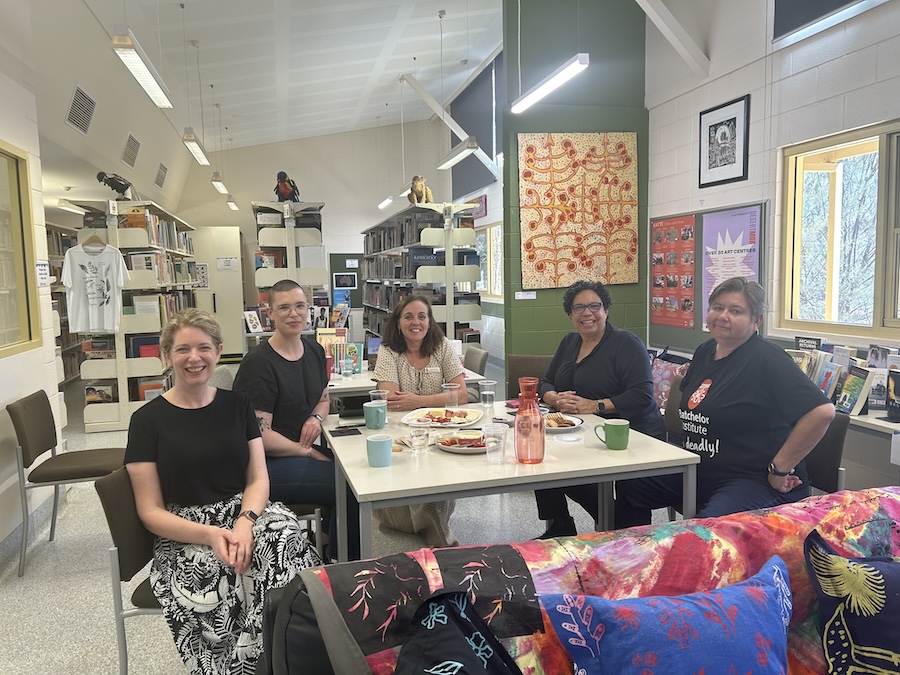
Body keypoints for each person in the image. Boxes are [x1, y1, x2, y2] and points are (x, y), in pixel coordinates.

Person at [125, 308, 319, 675]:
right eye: (182, 349)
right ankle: (248, 664)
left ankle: (287, 656)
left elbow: (258, 479)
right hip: (186, 529)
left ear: (218, 351)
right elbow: (150, 510)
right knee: (225, 572)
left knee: (284, 538)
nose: (194, 358)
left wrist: (245, 523)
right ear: (166, 356)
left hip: (241, 511)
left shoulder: (238, 405)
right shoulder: (146, 421)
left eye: (203, 348)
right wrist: (212, 534)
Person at [615, 277, 836, 527]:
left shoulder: (767, 358)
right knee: (631, 486)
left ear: (757, 321)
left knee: (706, 532)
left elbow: (822, 412)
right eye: (717, 307)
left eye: (736, 311)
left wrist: (779, 469)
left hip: (752, 479)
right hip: (698, 469)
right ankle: (634, 559)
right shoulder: (705, 351)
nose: (723, 316)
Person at [533, 280, 666, 538]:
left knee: (574, 474)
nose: (587, 313)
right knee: (542, 457)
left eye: (595, 306)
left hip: (630, 435)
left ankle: (617, 529)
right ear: (570, 314)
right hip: (586, 434)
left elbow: (642, 394)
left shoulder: (626, 344)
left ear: (606, 310)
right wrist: (554, 398)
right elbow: (545, 381)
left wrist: (595, 405)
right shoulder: (569, 343)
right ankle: (561, 523)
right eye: (579, 308)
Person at [233, 279, 340, 557]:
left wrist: (316, 418)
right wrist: (306, 453)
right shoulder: (259, 363)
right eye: (284, 308)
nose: (294, 314)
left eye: (299, 306)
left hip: (297, 451)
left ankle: (326, 541)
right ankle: (341, 561)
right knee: (346, 485)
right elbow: (259, 434)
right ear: (270, 313)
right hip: (264, 464)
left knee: (352, 472)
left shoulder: (314, 350)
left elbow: (323, 398)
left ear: (309, 309)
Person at [372, 294, 466, 547]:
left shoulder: (442, 347)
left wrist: (418, 402)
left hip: (441, 429)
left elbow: (462, 394)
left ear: (430, 321)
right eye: (409, 317)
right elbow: (390, 399)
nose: (416, 322)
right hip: (401, 432)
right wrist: (439, 399)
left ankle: (432, 531)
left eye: (422, 316)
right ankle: (440, 540)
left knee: (440, 475)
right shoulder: (389, 351)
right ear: (399, 323)